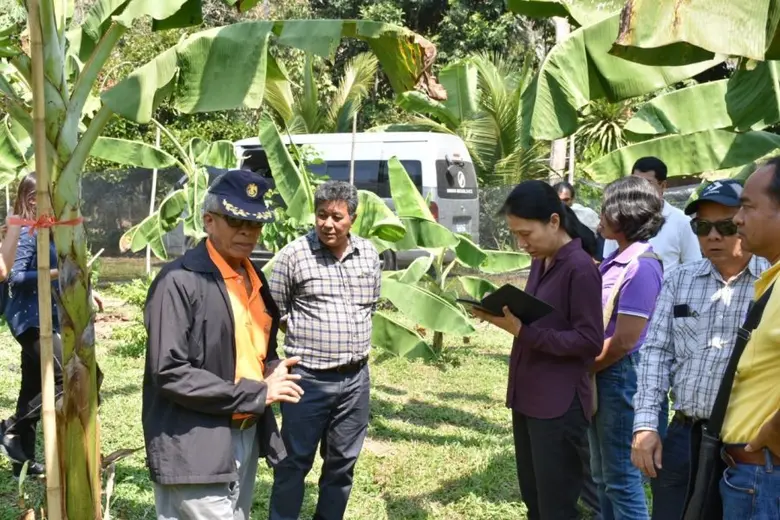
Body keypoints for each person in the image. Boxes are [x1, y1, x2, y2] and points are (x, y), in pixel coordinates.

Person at [143, 170, 304, 520]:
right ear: (209, 221)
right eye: (235, 220)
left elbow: (250, 348)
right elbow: (169, 372)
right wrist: (257, 393)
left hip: (245, 430)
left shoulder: (254, 276)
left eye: (255, 223)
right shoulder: (179, 281)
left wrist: (271, 366)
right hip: (194, 439)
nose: (247, 231)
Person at [630, 179, 769, 520]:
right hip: (685, 432)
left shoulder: (770, 282)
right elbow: (656, 354)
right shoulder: (680, 279)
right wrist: (646, 424)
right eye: (702, 226)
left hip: (746, 444)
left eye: (724, 226)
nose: (713, 236)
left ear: (744, 222)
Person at [472, 180, 603, 520]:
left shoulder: (580, 268)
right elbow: (543, 319)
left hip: (559, 405)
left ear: (554, 222)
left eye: (526, 233)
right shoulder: (541, 261)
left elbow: (589, 342)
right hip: (529, 396)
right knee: (534, 499)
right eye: (516, 234)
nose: (521, 243)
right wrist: (505, 317)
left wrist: (523, 332)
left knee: (556, 506)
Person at [268, 181, 382, 520]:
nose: (328, 224)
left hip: (355, 380)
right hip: (307, 381)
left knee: (342, 465)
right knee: (292, 463)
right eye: (321, 215)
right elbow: (275, 312)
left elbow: (369, 307)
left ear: (352, 219)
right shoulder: (294, 255)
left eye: (337, 217)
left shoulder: (368, 253)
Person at [589, 176, 664, 520]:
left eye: (606, 208)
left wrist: (587, 367)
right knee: (604, 476)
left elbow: (625, 341)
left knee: (620, 478)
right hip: (605, 370)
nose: (600, 215)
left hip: (618, 375)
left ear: (623, 213)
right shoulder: (615, 258)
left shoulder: (642, 266)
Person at [719, 158, 780, 517]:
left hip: (766, 475)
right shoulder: (772, 277)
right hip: (754, 474)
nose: (738, 219)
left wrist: (770, 432)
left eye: (748, 206)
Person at [0, 174, 61, 479]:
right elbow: (13, 277)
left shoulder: (44, 230)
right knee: (64, 376)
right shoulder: (24, 231)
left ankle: (21, 462)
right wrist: (56, 272)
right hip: (30, 320)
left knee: (32, 386)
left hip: (45, 315)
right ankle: (10, 427)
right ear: (34, 199)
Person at [602, 157, 701, 272]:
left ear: (663, 186)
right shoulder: (618, 218)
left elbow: (693, 266)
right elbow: (608, 262)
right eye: (636, 183)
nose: (640, 190)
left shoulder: (682, 222)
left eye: (647, 183)